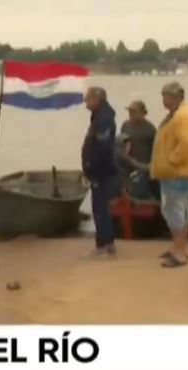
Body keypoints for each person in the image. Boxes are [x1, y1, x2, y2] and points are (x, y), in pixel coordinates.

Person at [149, 81, 188, 268]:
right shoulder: (175, 115)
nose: (164, 100)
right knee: (177, 211)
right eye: (163, 96)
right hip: (173, 173)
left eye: (167, 96)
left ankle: (179, 252)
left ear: (178, 97)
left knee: (175, 211)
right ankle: (179, 248)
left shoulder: (184, 117)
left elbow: (187, 144)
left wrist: (171, 161)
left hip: (177, 173)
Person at [82, 86, 118, 256]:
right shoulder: (101, 116)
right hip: (102, 170)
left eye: (87, 98)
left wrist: (92, 167)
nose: (85, 102)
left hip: (101, 171)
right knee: (102, 207)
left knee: (100, 208)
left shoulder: (103, 119)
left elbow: (102, 147)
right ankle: (108, 243)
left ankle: (103, 245)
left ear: (97, 98)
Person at [118, 100, 159, 200]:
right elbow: (122, 142)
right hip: (127, 165)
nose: (131, 114)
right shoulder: (126, 125)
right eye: (130, 111)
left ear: (143, 113)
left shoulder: (150, 129)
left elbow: (156, 150)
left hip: (143, 167)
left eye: (134, 111)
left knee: (140, 192)